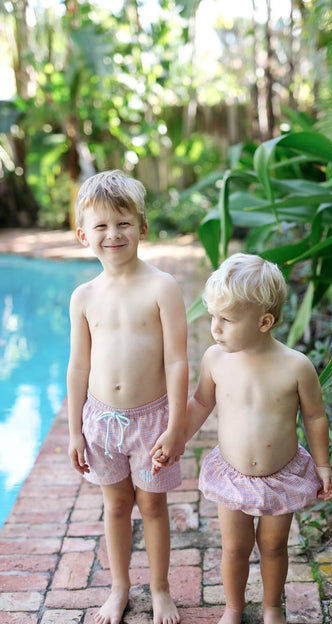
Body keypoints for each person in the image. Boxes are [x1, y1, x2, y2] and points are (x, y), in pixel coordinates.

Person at [152, 253, 332, 624]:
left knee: (273, 546)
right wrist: (177, 439)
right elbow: (202, 402)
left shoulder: (296, 366)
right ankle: (233, 608)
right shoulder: (215, 360)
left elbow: (315, 416)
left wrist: (322, 465)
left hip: (281, 475)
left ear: (264, 321)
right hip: (232, 473)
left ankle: (271, 607)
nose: (215, 329)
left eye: (227, 320)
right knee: (235, 547)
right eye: (212, 318)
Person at [67, 170, 188, 624]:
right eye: (100, 225)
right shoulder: (83, 297)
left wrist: (176, 427)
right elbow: (79, 365)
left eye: (123, 223)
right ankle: (120, 587)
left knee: (153, 506)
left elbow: (177, 361)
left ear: (142, 228)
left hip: (152, 421)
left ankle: (160, 589)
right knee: (115, 505)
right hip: (100, 421)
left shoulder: (162, 287)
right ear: (84, 235)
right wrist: (75, 430)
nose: (112, 234)